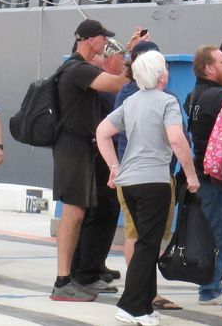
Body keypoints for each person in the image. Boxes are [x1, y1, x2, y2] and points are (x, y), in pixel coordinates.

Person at [95, 50, 200, 326]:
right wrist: (190, 175)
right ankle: (131, 307)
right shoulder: (168, 102)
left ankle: (143, 304)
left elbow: (102, 132)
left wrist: (114, 167)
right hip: (154, 180)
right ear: (161, 74)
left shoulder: (130, 102)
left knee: (144, 242)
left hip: (128, 181)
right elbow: (177, 140)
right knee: (148, 245)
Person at [51, 19, 128, 302]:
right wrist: (132, 54)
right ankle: (62, 281)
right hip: (73, 147)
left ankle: (70, 278)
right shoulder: (78, 69)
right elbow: (118, 82)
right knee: (73, 213)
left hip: (78, 147)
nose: (105, 43)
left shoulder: (76, 69)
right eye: (102, 39)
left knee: (78, 213)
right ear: (90, 40)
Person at [70, 39, 127, 295]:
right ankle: (87, 271)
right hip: (101, 159)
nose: (124, 63)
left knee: (101, 213)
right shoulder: (103, 88)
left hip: (97, 157)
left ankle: (92, 264)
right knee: (101, 211)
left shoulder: (101, 87)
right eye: (121, 58)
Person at [186, 45, 222, 305]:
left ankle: (210, 285)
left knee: (211, 232)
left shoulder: (194, 96)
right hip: (217, 177)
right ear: (208, 68)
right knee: (221, 233)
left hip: (202, 174)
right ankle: (210, 288)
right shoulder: (219, 97)